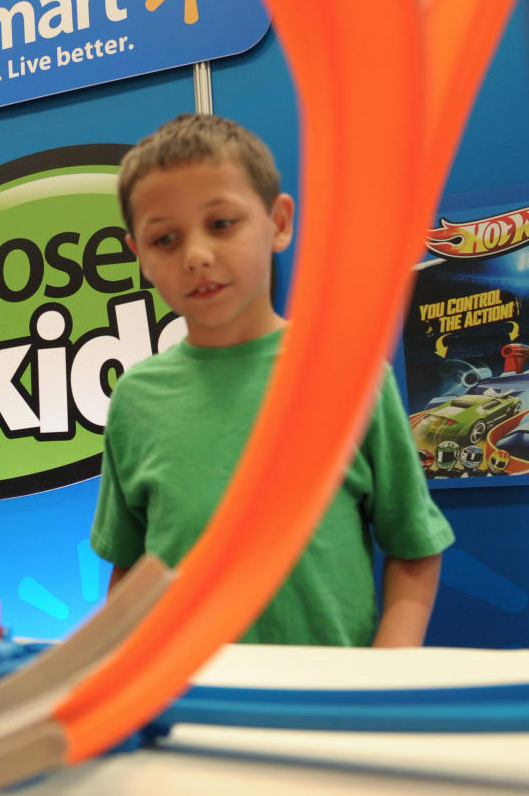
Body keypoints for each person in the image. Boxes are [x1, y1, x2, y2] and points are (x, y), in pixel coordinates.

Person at [91, 113, 454, 647]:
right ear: (139, 257)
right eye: (165, 239)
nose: (195, 256)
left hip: (328, 712)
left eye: (221, 224)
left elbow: (415, 547)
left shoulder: (350, 378)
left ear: (279, 222)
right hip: (186, 709)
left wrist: (381, 684)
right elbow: (128, 570)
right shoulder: (136, 399)